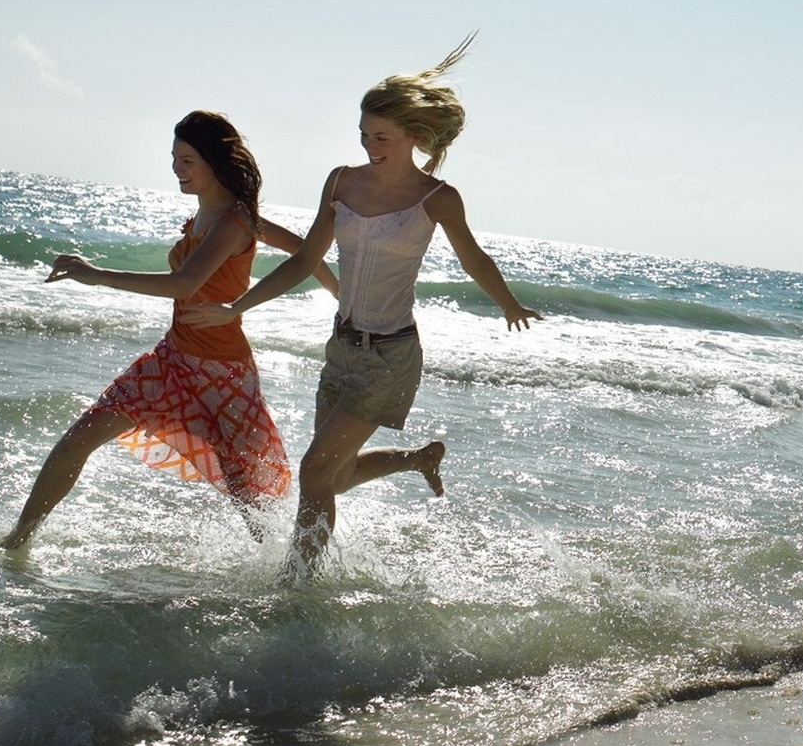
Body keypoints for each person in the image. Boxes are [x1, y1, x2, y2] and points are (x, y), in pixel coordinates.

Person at [183, 37, 541, 568]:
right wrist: (238, 307)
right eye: (363, 133)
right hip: (343, 346)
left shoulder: (437, 197)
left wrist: (509, 303)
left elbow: (475, 259)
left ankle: (296, 584)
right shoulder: (342, 182)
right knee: (337, 473)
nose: (370, 144)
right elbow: (304, 259)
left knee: (313, 472)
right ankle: (418, 459)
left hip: (391, 356)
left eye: (382, 136)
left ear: (415, 136)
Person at [2, 111, 332, 549]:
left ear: (215, 161)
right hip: (172, 360)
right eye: (175, 158)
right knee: (78, 440)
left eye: (188, 160)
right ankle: (17, 542)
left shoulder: (235, 222)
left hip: (222, 373)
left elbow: (191, 282)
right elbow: (300, 251)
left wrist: (343, 298)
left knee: (246, 492)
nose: (177, 169)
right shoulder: (207, 217)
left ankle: (289, 569)